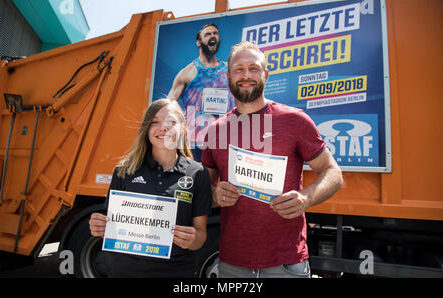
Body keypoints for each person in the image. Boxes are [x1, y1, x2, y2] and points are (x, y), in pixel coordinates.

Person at [201, 41, 343, 278]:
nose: (246, 75)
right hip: (231, 264)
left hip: (286, 263)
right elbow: (204, 188)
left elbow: (333, 172)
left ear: (265, 75)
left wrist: (305, 197)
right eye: (239, 69)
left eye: (253, 68)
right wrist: (215, 194)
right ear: (228, 77)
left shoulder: (295, 121)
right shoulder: (216, 130)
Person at [89, 98, 212, 278]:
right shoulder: (125, 170)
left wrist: (192, 240)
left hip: (176, 272)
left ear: (183, 128)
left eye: (171, 122)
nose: (163, 128)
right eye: (155, 122)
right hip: (125, 271)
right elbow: (111, 227)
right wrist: (99, 227)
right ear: (146, 129)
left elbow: (200, 237)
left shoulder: (198, 173)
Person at [168, 23, 235, 161]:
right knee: (197, 182)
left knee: (222, 183)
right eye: (208, 34)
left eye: (215, 33)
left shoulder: (231, 70)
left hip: (226, 142)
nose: (213, 36)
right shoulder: (187, 73)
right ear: (199, 42)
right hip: (195, 144)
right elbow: (168, 105)